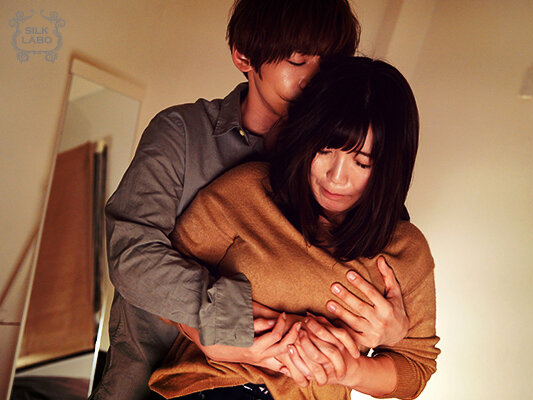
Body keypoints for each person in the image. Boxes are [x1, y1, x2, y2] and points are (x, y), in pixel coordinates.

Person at [92, 2, 409, 399]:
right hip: (150, 383)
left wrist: (394, 331)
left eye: (330, 65)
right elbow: (132, 255)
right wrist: (230, 324)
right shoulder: (183, 133)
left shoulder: (345, 175)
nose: (317, 80)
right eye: (298, 61)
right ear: (244, 56)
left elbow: (395, 298)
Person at [148, 57, 440, 399]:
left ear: (389, 169)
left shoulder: (405, 250)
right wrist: (215, 337)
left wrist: (350, 369)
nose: (336, 177)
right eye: (325, 150)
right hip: (212, 388)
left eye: (362, 162)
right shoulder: (248, 191)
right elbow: (161, 281)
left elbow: (415, 368)